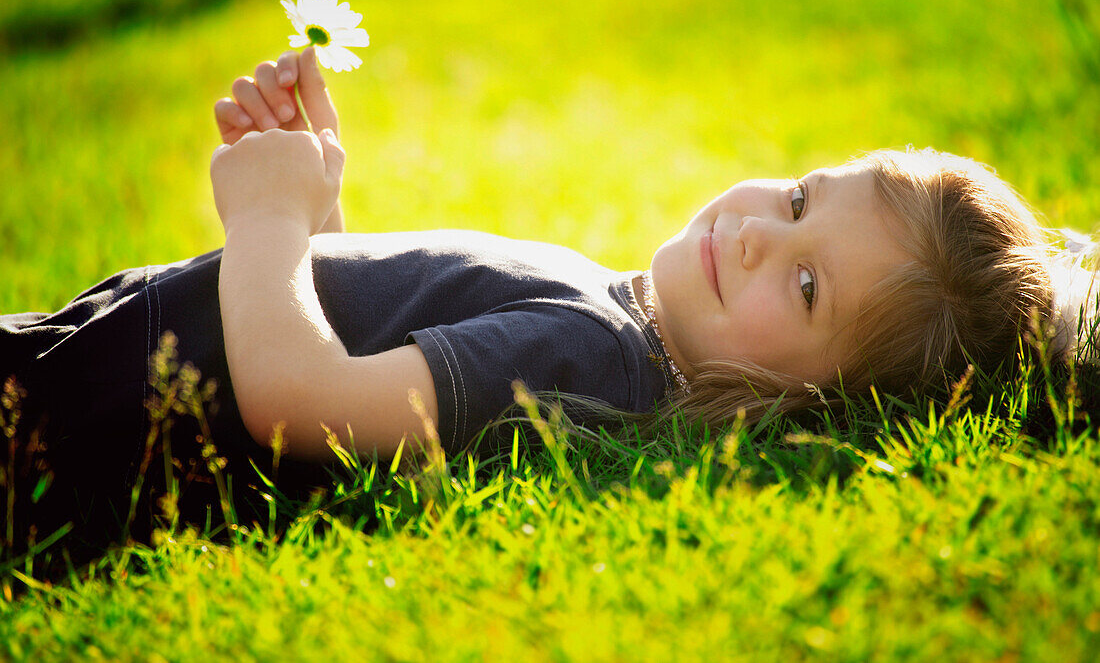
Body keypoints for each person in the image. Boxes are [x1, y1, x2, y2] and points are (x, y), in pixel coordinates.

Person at [1, 48, 1096, 562]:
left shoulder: (588, 356)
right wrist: (322, 210)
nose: (763, 230)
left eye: (805, 286)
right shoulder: (609, 317)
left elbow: (304, 406)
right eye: (803, 196)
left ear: (809, 401)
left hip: (82, 421)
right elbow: (370, 365)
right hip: (101, 372)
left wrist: (270, 228)